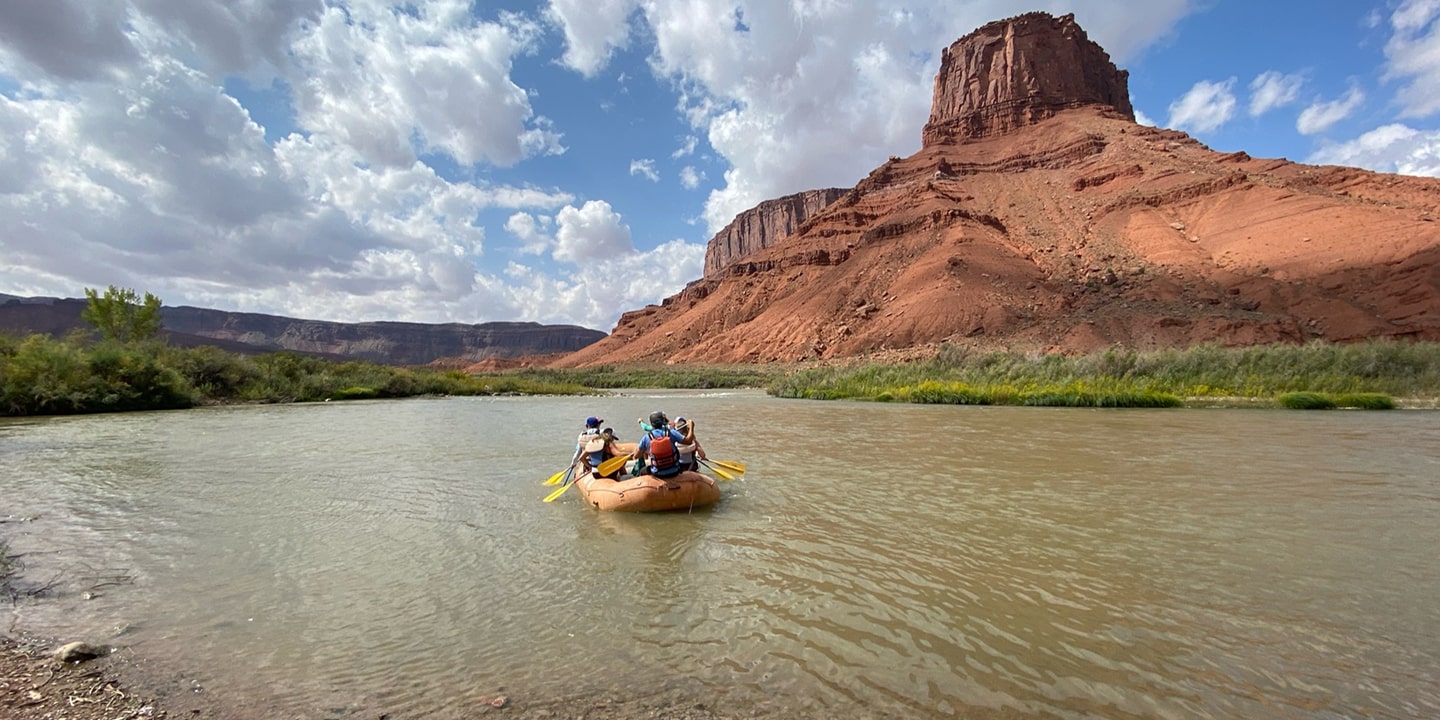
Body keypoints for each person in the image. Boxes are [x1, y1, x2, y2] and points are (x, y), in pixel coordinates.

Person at [635, 410, 686, 479]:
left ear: (652, 424)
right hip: (675, 470)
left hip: (657, 473)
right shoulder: (671, 432)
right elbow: (687, 441)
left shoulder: (646, 437)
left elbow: (636, 456)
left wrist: (645, 450)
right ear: (663, 421)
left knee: (642, 471)